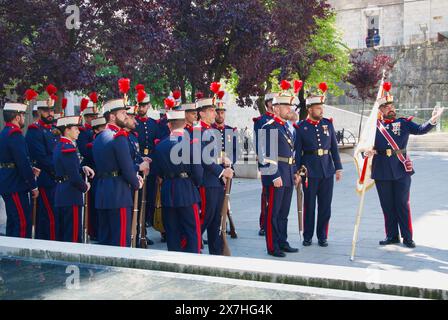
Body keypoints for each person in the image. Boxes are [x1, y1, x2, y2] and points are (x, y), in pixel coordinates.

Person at [365, 89, 444, 248]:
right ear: (380, 110)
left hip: (401, 169)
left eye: (392, 106)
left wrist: (433, 119)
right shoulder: (373, 127)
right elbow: (364, 148)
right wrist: (367, 152)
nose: (391, 109)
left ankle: (407, 237)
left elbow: (421, 129)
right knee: (387, 206)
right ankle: (392, 236)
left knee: (402, 204)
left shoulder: (403, 123)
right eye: (387, 107)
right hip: (381, 170)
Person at [151, 106, 203, 253]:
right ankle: (193, 257)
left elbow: (158, 172)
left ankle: (174, 259)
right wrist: (195, 184)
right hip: (187, 188)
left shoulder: (160, 145)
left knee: (172, 230)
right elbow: (198, 172)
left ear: (169, 125)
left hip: (168, 190)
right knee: (192, 229)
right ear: (185, 124)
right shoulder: (191, 143)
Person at [92, 99, 143, 247]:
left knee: (106, 241)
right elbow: (126, 168)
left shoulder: (99, 137)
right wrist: (136, 182)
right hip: (118, 193)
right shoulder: (118, 137)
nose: (126, 116)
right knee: (121, 241)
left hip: (102, 192)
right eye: (122, 113)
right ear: (112, 117)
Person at [294, 95, 343, 248]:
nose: (321, 110)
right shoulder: (301, 127)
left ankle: (322, 236)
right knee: (309, 205)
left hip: (327, 170)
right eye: (318, 108)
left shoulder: (328, 124)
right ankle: (308, 236)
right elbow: (297, 153)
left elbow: (334, 147)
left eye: (322, 107)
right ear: (310, 109)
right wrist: (298, 173)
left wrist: (338, 167)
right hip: (309, 172)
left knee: (325, 206)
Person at [260, 92, 299, 257]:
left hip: (288, 173)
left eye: (290, 106)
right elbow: (265, 155)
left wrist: (295, 172)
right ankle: (272, 245)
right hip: (277, 175)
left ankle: (282, 241)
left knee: (283, 213)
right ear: (276, 108)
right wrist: (274, 176)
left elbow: (290, 153)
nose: (289, 109)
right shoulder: (269, 126)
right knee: (273, 213)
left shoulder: (284, 127)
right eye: (286, 106)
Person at [196, 96, 234, 255]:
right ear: (202, 114)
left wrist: (222, 160)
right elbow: (203, 159)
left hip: (216, 181)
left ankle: (216, 252)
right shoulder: (198, 131)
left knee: (216, 220)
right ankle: (192, 245)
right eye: (211, 111)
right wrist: (221, 171)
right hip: (207, 181)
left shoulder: (210, 130)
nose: (215, 113)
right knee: (206, 217)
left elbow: (211, 156)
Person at [0, 102, 40, 238]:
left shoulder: (4, 133)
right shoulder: (15, 135)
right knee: (22, 222)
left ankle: (11, 256)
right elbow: (22, 162)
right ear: (17, 117)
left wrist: (29, 168)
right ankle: (20, 259)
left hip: (8, 181)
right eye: (22, 115)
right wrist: (33, 186)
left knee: (13, 221)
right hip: (15, 184)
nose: (23, 118)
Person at [53, 116, 94, 242]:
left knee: (63, 233)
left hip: (61, 192)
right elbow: (74, 177)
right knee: (73, 236)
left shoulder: (59, 145)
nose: (79, 131)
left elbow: (67, 168)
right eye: (75, 128)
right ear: (67, 130)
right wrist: (85, 186)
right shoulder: (68, 149)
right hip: (71, 195)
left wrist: (82, 168)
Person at [25, 98, 59, 240]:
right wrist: (58, 171)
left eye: (51, 110)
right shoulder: (34, 130)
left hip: (54, 179)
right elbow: (42, 158)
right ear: (39, 112)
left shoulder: (52, 130)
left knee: (53, 214)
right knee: (49, 216)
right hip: (45, 179)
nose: (50, 113)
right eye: (46, 111)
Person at [253, 94, 275, 237]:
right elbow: (257, 143)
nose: (274, 105)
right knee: (266, 195)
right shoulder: (261, 121)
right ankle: (264, 224)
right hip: (267, 163)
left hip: (282, 163)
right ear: (267, 104)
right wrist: (262, 164)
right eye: (272, 102)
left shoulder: (282, 121)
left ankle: (274, 224)